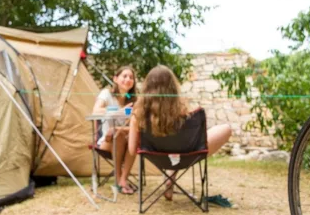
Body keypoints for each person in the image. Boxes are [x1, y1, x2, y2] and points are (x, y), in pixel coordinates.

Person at [128, 65, 231, 200]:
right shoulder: (186, 112)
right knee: (226, 128)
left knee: (173, 147)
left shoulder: (138, 115)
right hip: (187, 156)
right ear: (173, 87)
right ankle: (172, 173)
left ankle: (170, 173)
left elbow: (131, 150)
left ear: (147, 88)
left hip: (157, 158)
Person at [92, 65, 138, 194]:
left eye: (131, 77)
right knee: (120, 135)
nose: (128, 79)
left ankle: (123, 180)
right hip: (106, 141)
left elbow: (137, 124)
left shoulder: (133, 100)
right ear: (115, 79)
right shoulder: (106, 94)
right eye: (124, 76)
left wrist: (116, 128)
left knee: (131, 137)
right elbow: (96, 111)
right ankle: (119, 179)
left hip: (127, 141)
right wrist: (118, 111)